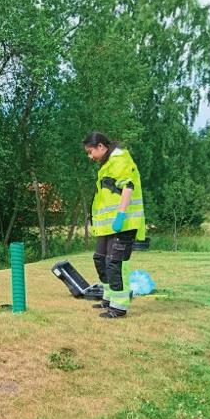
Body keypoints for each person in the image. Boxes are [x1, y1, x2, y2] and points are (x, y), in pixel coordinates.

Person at [83, 131, 145, 319]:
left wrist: (120, 215)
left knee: (114, 263)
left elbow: (128, 187)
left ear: (101, 146)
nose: (90, 156)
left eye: (90, 151)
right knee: (100, 259)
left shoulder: (119, 160)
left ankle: (119, 307)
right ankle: (109, 298)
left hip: (123, 224)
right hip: (108, 226)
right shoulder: (107, 165)